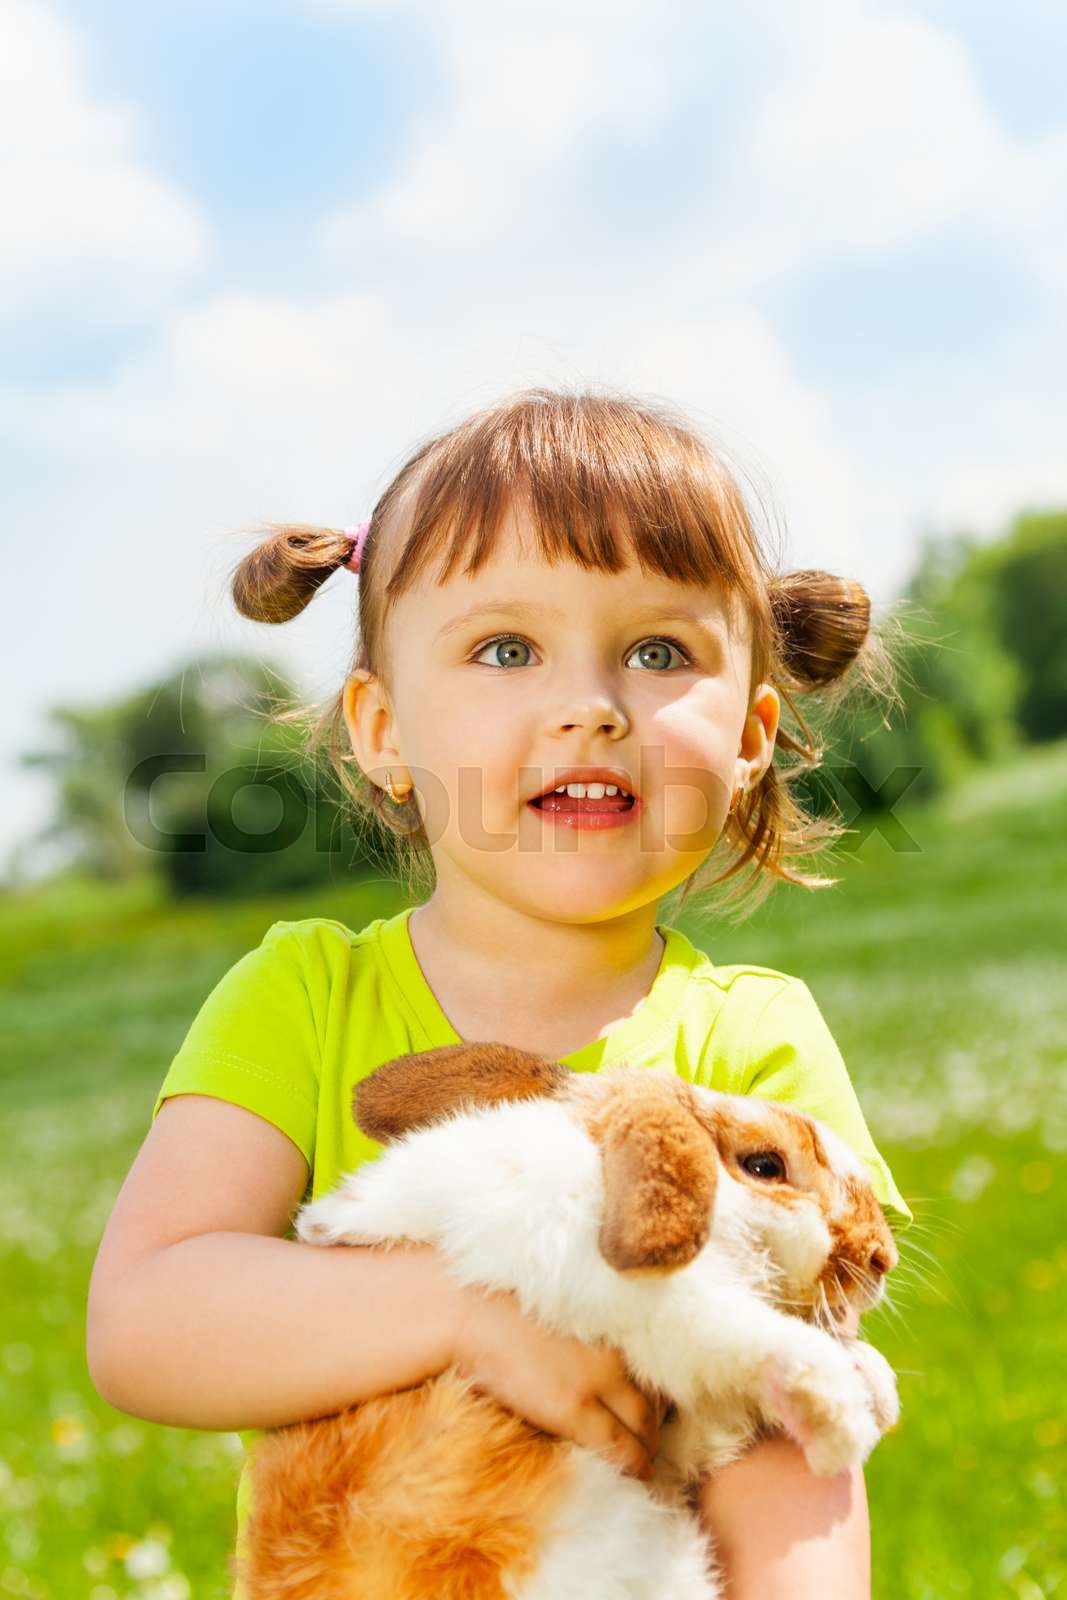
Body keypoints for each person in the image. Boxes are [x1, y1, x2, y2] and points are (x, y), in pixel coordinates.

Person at [86, 386, 913, 1599]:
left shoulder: (752, 1037)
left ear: (749, 733)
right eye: (505, 649)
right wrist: (466, 1312)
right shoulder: (302, 996)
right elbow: (148, 1320)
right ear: (379, 727)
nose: (588, 704)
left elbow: (797, 1406)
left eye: (657, 652)